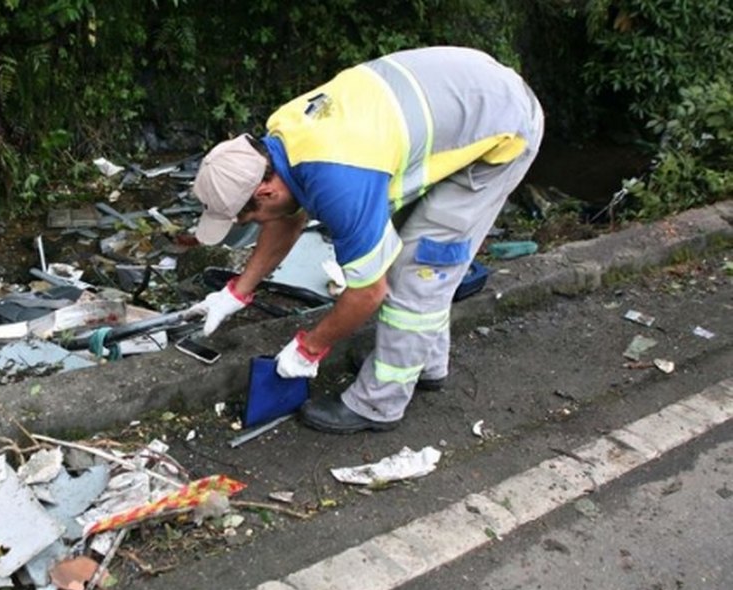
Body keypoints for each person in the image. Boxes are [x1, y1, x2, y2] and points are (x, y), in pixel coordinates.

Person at [186, 46, 544, 435]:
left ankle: (380, 403)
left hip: (503, 127)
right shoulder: (283, 137)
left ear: (265, 191)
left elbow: (368, 292)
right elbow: (287, 216)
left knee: (420, 269)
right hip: (462, 96)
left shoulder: (339, 183)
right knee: (412, 254)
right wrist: (238, 292)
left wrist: (309, 348)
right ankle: (422, 362)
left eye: (248, 215)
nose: (252, 222)